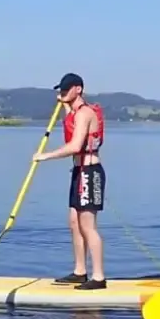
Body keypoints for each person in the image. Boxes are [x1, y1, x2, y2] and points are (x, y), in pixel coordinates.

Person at [33, 72, 106, 288]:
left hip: (89, 173)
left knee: (88, 226)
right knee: (74, 223)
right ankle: (80, 271)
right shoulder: (75, 113)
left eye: (67, 89)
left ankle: (99, 277)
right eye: (61, 89)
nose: (62, 92)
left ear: (79, 89)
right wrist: (64, 104)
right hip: (78, 172)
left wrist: (44, 156)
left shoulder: (85, 113)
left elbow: (75, 146)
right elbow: (69, 124)